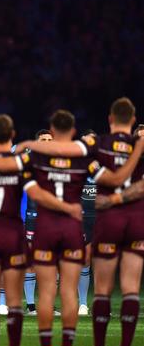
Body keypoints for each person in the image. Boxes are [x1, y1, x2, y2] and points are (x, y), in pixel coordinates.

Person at [0, 106, 141, 346]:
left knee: (47, 290)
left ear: (110, 118)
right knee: (72, 290)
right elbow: (114, 179)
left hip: (45, 226)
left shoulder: (34, 157)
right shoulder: (85, 159)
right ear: (73, 131)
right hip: (74, 226)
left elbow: (3, 166)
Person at [0, 114, 81, 346]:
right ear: (13, 135)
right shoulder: (22, 165)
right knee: (17, 299)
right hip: (15, 234)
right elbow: (36, 194)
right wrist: (67, 207)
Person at [22, 129, 53, 316]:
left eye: (50, 139)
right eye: (43, 140)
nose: (47, 142)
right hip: (34, 217)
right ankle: (31, 305)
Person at [78, 129, 98, 316]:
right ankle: (83, 303)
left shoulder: (106, 163)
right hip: (83, 217)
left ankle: (101, 303)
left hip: (102, 217)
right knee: (85, 259)